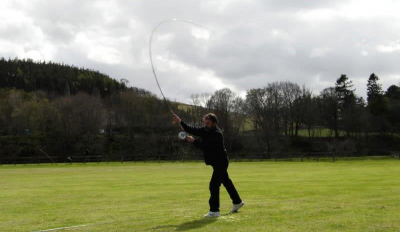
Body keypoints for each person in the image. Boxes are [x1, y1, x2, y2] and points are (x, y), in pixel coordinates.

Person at [172, 112, 245, 217]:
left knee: (214, 185)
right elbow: (191, 129)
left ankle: (214, 211)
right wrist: (180, 121)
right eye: (205, 123)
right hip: (217, 162)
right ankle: (237, 202)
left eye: (208, 123)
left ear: (214, 124)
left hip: (221, 162)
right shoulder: (205, 130)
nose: (205, 125)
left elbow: (205, 147)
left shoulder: (217, 134)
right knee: (226, 182)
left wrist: (193, 141)